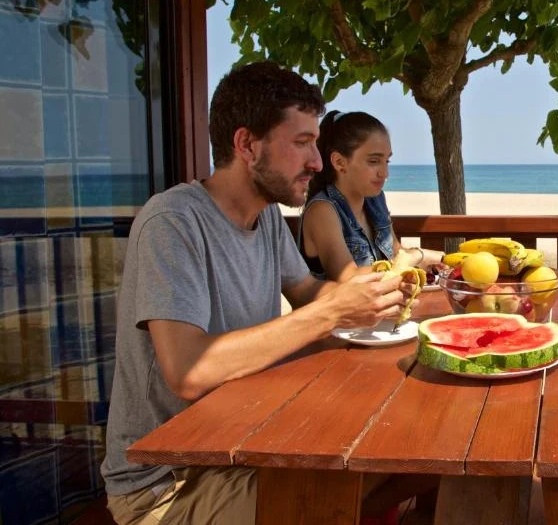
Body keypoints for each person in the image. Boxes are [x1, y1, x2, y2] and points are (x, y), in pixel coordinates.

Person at [100, 62, 414, 525]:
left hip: (244, 441)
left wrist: (368, 303)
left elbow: (305, 288)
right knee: (363, 479)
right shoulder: (172, 223)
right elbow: (189, 371)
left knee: (407, 460)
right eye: (302, 143)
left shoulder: (265, 215)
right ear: (247, 145)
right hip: (171, 483)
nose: (315, 161)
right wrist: (330, 314)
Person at [299, 110, 442, 282]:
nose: (385, 173)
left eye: (386, 161)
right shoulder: (323, 210)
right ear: (339, 162)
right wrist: (417, 255)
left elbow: (396, 253)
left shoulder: (375, 199)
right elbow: (347, 278)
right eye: (374, 161)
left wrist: (422, 264)